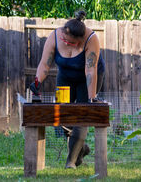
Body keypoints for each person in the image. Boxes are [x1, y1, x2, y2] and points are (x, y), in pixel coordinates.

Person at [29, 10, 105, 169]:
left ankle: (72, 161)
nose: (65, 42)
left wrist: (92, 98)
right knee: (62, 114)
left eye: (70, 42)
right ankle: (81, 149)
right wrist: (37, 82)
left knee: (81, 115)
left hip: (88, 78)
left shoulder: (91, 39)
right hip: (65, 77)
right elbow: (45, 63)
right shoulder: (55, 36)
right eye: (64, 39)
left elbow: (90, 70)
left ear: (79, 40)